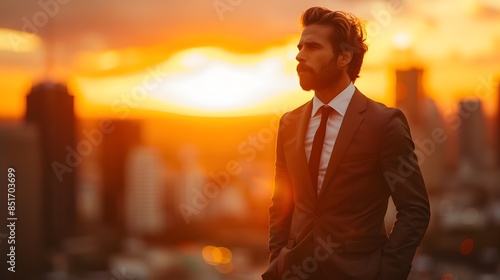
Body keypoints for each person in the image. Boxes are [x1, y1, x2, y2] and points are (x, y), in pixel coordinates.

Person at [262, 6, 430, 280]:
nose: (299, 55)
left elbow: (415, 209)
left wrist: (387, 273)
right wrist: (278, 262)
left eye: (313, 47)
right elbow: (281, 203)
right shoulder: (289, 123)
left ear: (344, 57)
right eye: (300, 46)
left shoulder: (384, 123)